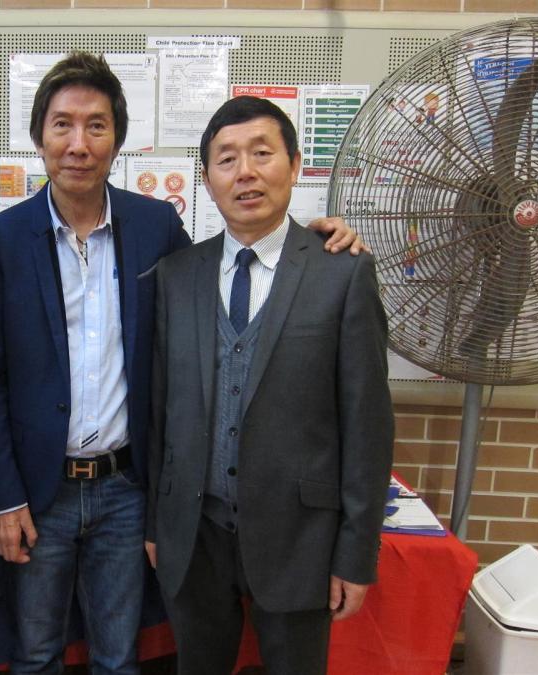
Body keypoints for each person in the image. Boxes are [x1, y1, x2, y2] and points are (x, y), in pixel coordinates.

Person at [0, 52, 363, 674]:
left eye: (97, 126)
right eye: (62, 125)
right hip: (40, 491)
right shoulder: (0, 238)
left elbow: (235, 268)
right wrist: (5, 497)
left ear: (117, 140)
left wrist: (317, 240)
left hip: (127, 490)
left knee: (118, 656)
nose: (79, 144)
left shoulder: (155, 225)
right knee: (37, 652)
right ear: (39, 137)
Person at [146, 95, 394, 675]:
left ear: (295, 164)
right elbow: (161, 411)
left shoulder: (342, 272)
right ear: (207, 178)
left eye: (262, 153)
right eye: (227, 159)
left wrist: (356, 553)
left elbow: (368, 427)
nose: (245, 172)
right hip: (194, 534)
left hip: (301, 539)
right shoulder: (176, 276)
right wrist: (158, 522)